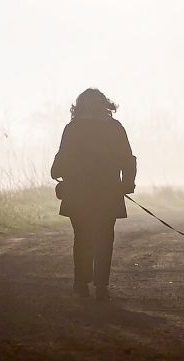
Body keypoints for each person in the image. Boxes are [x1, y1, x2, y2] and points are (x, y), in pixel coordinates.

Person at [50, 88, 136, 302]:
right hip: (108, 194)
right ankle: (101, 286)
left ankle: (81, 283)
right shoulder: (115, 128)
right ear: (105, 105)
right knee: (105, 239)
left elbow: (60, 163)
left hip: (78, 195)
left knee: (82, 238)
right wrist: (127, 183)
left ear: (78, 106)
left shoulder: (72, 128)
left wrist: (57, 171)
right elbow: (128, 159)